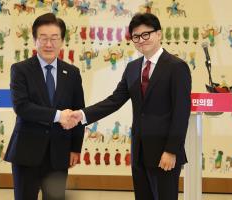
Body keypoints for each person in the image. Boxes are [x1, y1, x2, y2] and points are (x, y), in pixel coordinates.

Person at [70, 13, 191, 200]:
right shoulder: (133, 68)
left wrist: (171, 150)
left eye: (146, 34)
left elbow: (181, 112)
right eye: (136, 37)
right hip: (139, 152)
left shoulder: (177, 67)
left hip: (164, 153)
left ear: (158, 34)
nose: (141, 40)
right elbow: (114, 101)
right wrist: (82, 115)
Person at [4, 13, 85, 200]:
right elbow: (22, 107)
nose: (49, 44)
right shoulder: (20, 69)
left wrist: (75, 148)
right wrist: (58, 115)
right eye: (43, 38)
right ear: (35, 40)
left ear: (62, 41)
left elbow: (78, 112)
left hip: (59, 153)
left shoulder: (72, 73)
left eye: (54, 38)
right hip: (26, 151)